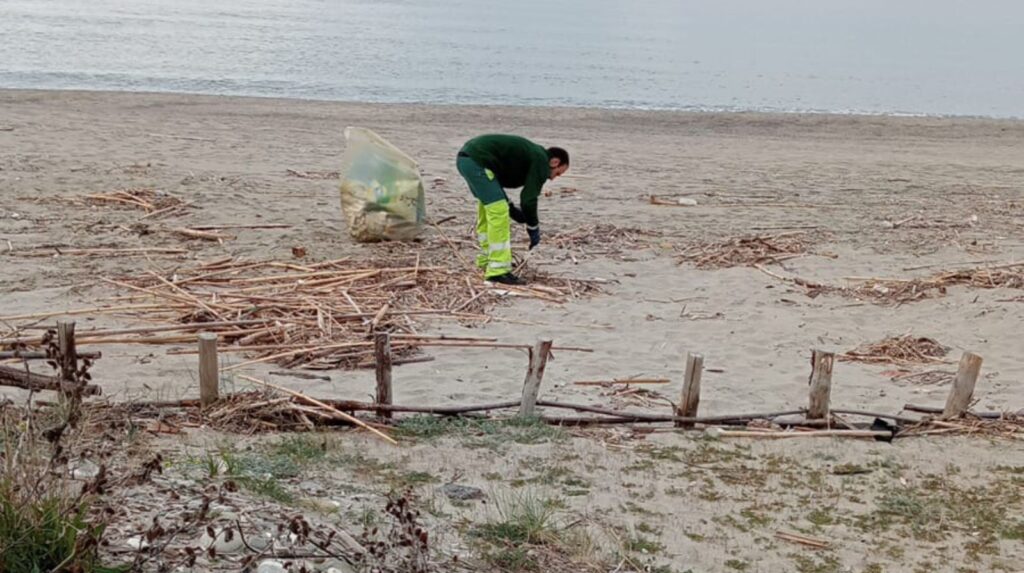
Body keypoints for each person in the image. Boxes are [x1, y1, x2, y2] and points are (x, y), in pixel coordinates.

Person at [456, 134, 569, 285]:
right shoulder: (541, 161)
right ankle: (498, 271)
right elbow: (528, 199)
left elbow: (496, 186)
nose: (554, 178)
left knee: (489, 208)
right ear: (555, 162)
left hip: (468, 160)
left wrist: (514, 211)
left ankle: (486, 260)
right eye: (558, 173)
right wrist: (533, 227)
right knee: (498, 212)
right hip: (478, 161)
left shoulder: (532, 154)